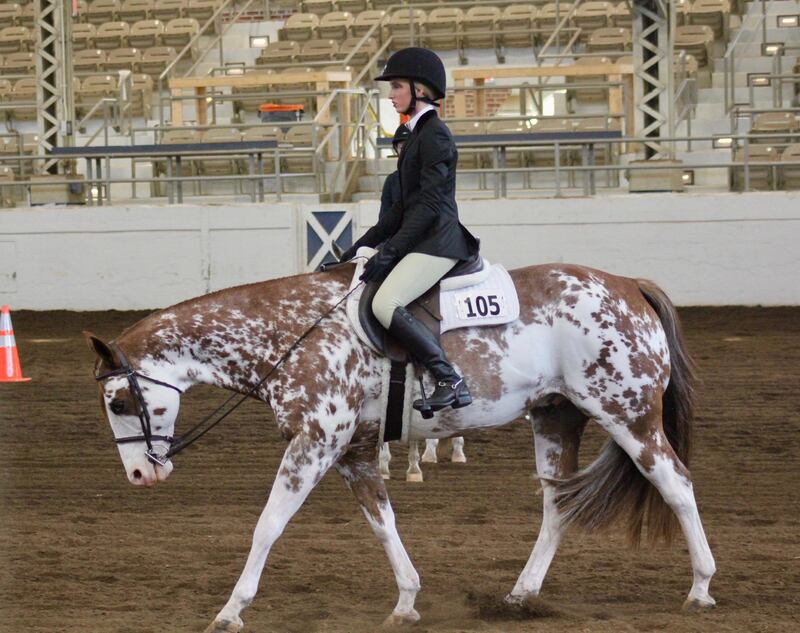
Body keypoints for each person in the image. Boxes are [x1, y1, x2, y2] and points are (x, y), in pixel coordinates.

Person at [338, 47, 480, 413]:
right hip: (423, 236)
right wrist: (361, 245)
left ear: (420, 90)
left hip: (439, 240)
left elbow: (429, 206)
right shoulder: (415, 134)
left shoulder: (435, 137)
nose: (391, 94)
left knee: (387, 303)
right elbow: (401, 208)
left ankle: (449, 379)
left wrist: (390, 252)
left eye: (397, 86)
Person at [378, 124, 410, 222]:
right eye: (401, 147)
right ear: (396, 149)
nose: (405, 150)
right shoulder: (392, 181)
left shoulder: (428, 177)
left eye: (409, 145)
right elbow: (384, 216)